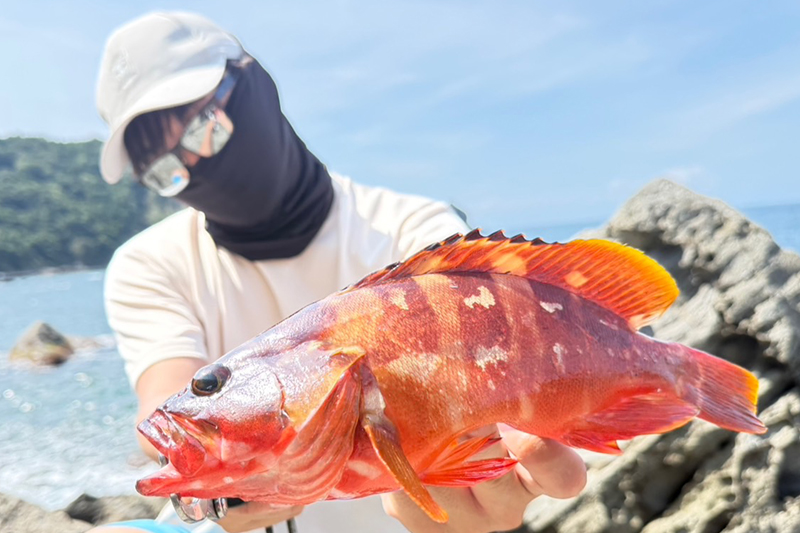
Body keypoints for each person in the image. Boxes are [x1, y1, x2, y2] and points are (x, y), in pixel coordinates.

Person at [87, 11, 587, 533]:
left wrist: (496, 484)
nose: (193, 168)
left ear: (257, 85)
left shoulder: (412, 231)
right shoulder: (148, 263)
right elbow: (162, 415)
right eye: (164, 170)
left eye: (201, 127)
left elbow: (496, 387)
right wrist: (213, 496)